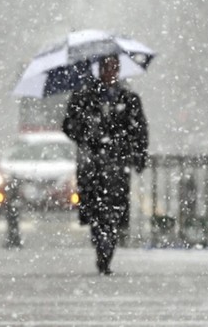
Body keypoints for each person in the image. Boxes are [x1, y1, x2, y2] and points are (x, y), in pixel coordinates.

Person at [62, 55, 148, 275]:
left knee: (113, 212)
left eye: (114, 67)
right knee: (96, 212)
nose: (110, 72)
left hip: (117, 166)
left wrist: (136, 156)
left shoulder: (129, 99)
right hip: (92, 166)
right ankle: (101, 246)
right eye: (106, 67)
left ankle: (106, 251)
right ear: (99, 70)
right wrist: (89, 134)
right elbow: (69, 125)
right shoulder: (83, 97)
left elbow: (139, 131)